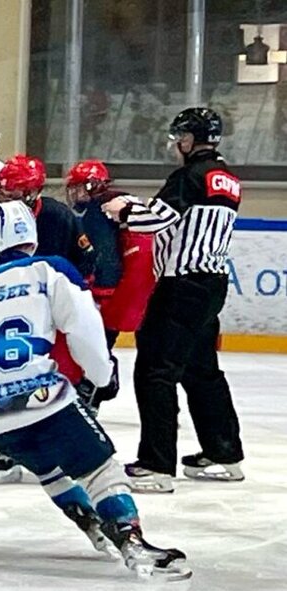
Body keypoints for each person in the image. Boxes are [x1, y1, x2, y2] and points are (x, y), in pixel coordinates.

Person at [0, 200, 190, 581]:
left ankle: (90, 522)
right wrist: (101, 375)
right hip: (41, 400)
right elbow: (84, 326)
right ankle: (130, 540)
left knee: (49, 468)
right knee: (100, 468)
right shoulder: (50, 269)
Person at [102, 107, 245, 492]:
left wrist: (122, 210)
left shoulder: (188, 176)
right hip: (211, 284)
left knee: (155, 369)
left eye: (178, 137)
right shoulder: (228, 179)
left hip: (181, 285)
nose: (174, 144)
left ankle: (157, 465)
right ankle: (224, 454)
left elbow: (156, 220)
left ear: (188, 140)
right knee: (201, 370)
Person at [0, 154, 97, 480]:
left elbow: (86, 260)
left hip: (53, 306)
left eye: (10, 192)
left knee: (61, 374)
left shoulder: (58, 216)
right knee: (12, 372)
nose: (3, 197)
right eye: (2, 191)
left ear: (31, 192)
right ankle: (17, 445)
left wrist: (70, 296)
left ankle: (66, 441)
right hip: (11, 307)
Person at [66, 159, 156, 405]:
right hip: (147, 284)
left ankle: (95, 390)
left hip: (113, 289)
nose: (74, 195)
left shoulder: (99, 208)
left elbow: (103, 254)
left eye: (78, 188)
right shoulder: (125, 200)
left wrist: (92, 285)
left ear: (92, 185)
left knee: (95, 343)